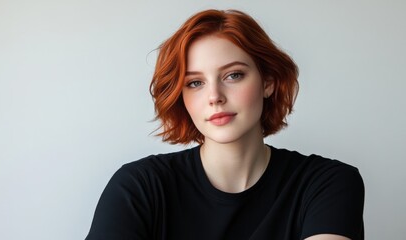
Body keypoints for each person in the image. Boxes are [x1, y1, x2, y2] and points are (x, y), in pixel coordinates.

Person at [85, 9, 364, 240]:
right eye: (195, 83)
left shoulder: (328, 183)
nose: (215, 97)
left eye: (233, 75)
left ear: (267, 82)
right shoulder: (139, 186)